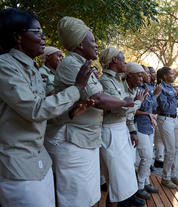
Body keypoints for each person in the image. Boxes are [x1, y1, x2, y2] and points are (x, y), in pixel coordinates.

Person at [0, 8, 93, 207]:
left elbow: (39, 114)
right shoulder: (4, 66)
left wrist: (69, 113)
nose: (43, 38)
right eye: (37, 32)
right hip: (18, 166)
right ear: (18, 36)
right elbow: (34, 109)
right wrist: (77, 88)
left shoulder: (30, 68)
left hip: (39, 161)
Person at [47, 17, 132, 207]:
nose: (95, 45)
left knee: (91, 198)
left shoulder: (83, 65)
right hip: (74, 142)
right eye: (92, 41)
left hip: (86, 140)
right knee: (77, 201)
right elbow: (98, 100)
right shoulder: (70, 64)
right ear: (79, 44)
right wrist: (124, 102)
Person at [99, 48, 145, 207]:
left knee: (122, 179)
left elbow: (125, 106)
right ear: (113, 61)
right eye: (122, 58)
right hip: (111, 132)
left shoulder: (115, 81)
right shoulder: (105, 81)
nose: (125, 62)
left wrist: (131, 129)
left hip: (119, 131)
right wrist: (137, 102)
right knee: (116, 181)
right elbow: (121, 107)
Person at [134, 66, 162, 199]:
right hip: (139, 126)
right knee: (147, 157)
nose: (149, 75)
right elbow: (142, 106)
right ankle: (139, 186)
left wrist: (154, 97)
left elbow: (153, 106)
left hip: (149, 125)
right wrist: (155, 95)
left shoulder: (149, 88)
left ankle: (146, 182)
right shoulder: (138, 88)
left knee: (147, 158)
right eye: (145, 73)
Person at [157, 66, 178, 189]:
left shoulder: (172, 88)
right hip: (165, 119)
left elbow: (173, 105)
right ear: (164, 76)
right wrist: (177, 96)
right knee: (169, 150)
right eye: (171, 74)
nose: (173, 75)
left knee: (175, 148)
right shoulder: (161, 88)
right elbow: (165, 107)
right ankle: (165, 178)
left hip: (174, 119)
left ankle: (173, 175)